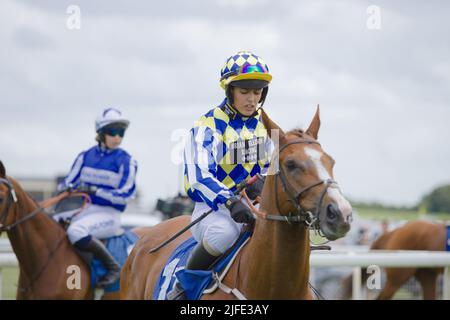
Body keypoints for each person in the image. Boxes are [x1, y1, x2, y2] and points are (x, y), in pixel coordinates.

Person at [167, 50, 274, 300]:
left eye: (257, 92)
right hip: (214, 211)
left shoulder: (264, 127)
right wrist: (230, 200)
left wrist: (263, 183)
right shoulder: (208, 126)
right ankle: (183, 287)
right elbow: (197, 177)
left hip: (254, 208)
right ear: (230, 91)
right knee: (224, 234)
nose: (251, 99)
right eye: (245, 92)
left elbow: (272, 170)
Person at [56, 108, 138, 287]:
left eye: (121, 132)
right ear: (100, 133)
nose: (117, 137)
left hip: (109, 215)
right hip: (85, 210)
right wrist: (70, 187)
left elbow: (126, 194)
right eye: (112, 131)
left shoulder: (127, 161)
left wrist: (95, 190)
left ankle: (113, 267)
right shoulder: (84, 156)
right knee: (53, 223)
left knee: (75, 231)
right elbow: (65, 183)